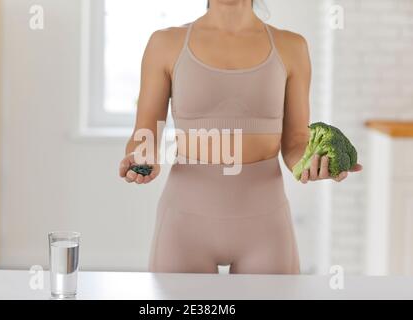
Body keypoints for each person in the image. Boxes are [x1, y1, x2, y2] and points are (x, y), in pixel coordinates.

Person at [119, 0, 362, 274]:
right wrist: (141, 157)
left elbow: (295, 141)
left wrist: (312, 164)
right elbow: (145, 132)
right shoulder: (165, 43)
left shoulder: (292, 46)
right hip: (184, 225)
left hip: (267, 227)